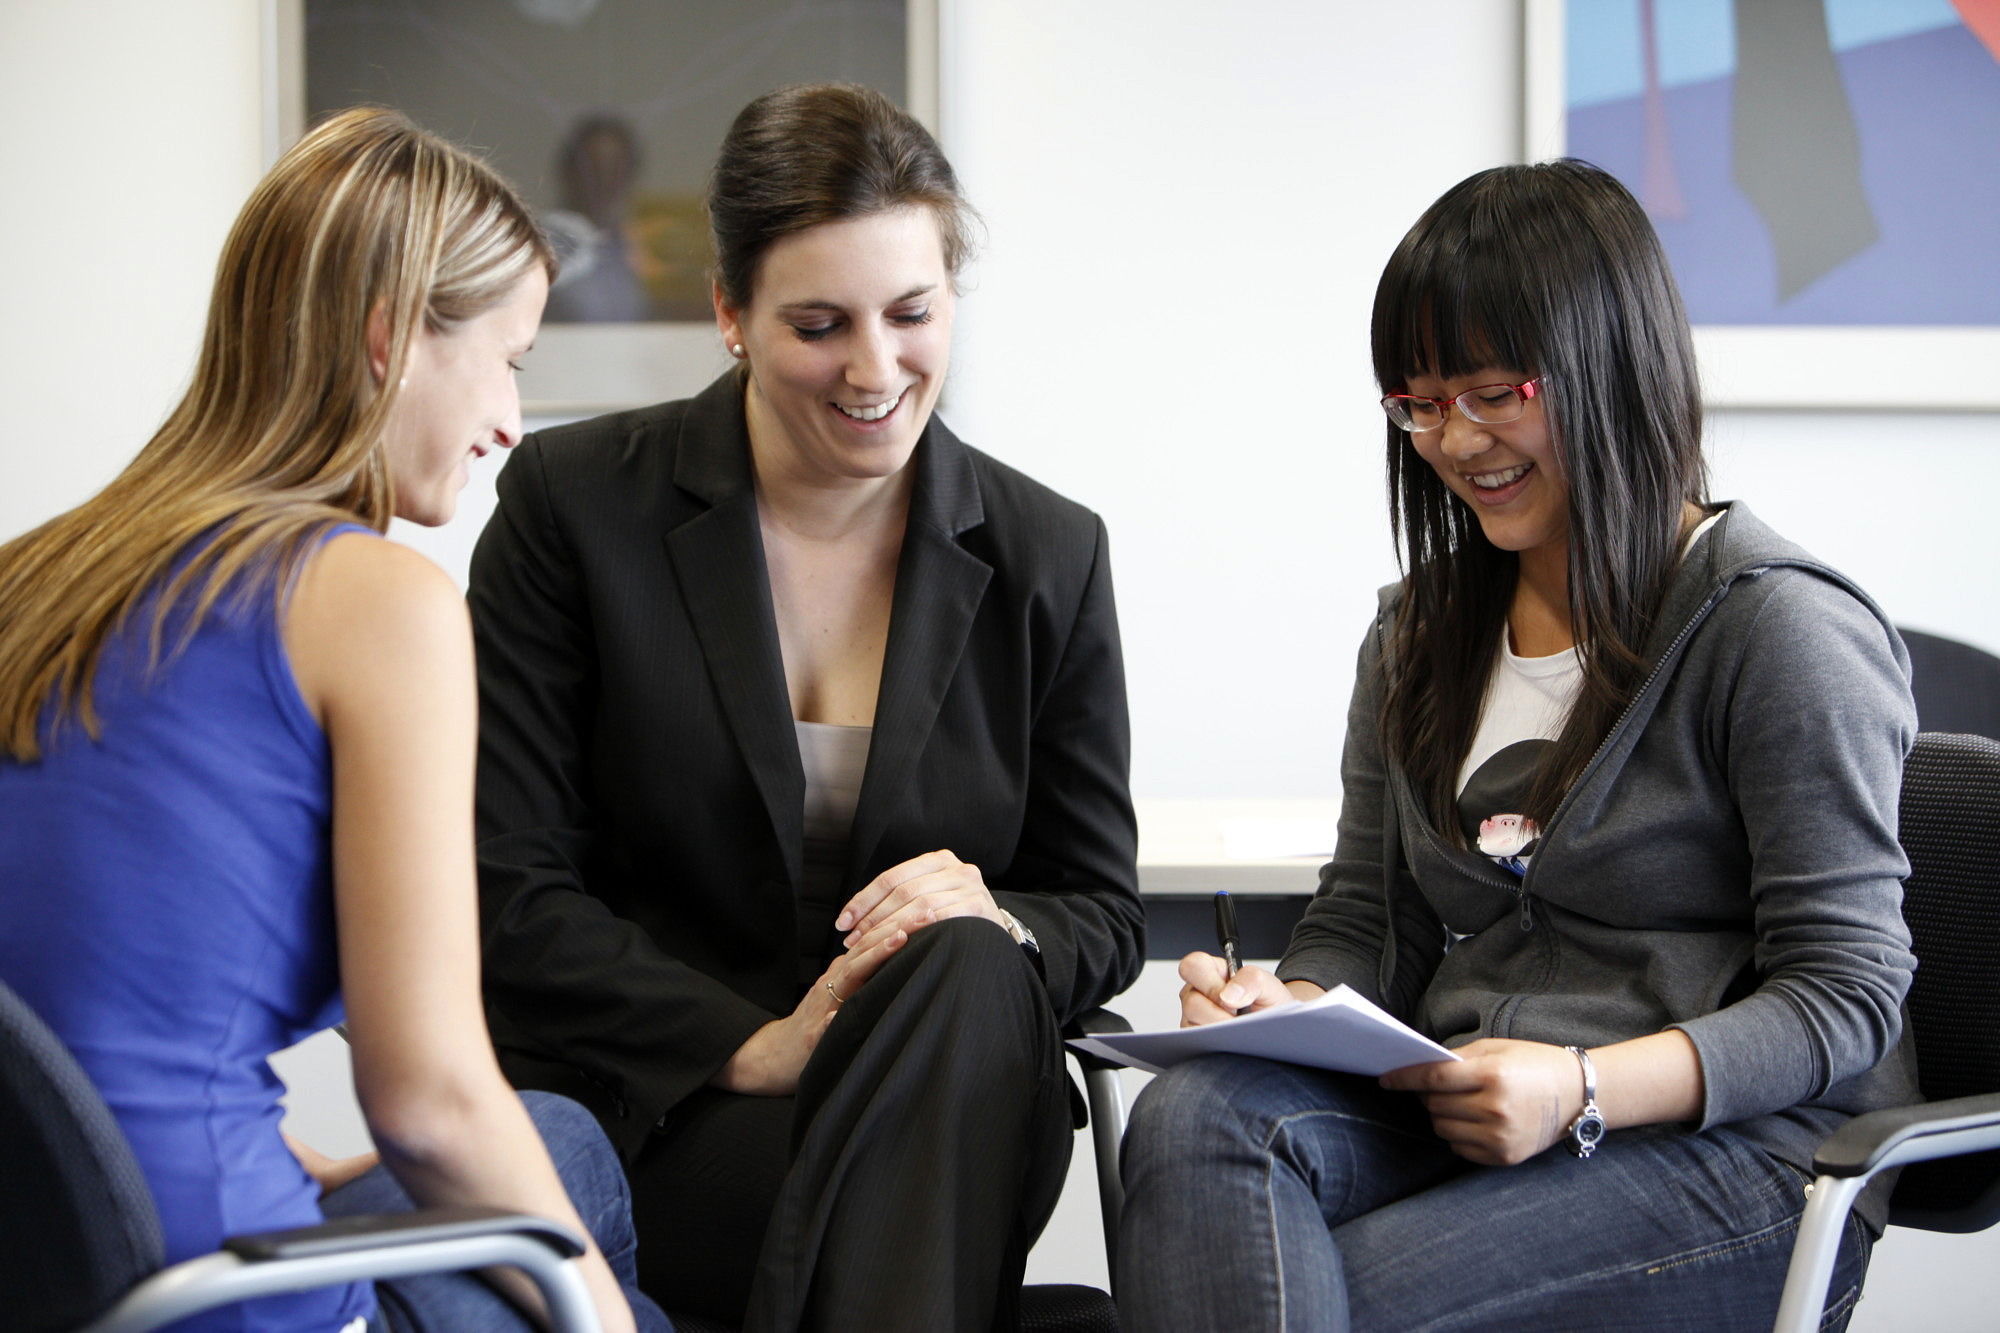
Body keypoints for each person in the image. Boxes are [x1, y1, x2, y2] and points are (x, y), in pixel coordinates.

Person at [1115, 160, 1918, 1332]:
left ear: (1608, 367)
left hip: (1735, 1156)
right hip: (1466, 1104)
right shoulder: (1418, 632)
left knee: (1329, 1299)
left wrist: (1579, 1085)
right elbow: (1364, 920)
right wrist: (1277, 1003)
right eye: (1419, 402)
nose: (1453, 440)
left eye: (1492, 392)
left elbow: (1847, 995)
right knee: (1192, 1116)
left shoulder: (1777, 627)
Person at [468, 82, 1144, 1332]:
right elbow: (507, 890)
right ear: (729, 313)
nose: (876, 369)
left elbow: (1100, 908)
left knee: (962, 951)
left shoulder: (1052, 553)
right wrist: (750, 1042)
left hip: (951, 1106)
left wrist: (986, 912)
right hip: (677, 1114)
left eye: (912, 313)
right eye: (821, 324)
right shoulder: (574, 510)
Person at [0, 108, 668, 1333]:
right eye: (510, 359)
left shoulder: (35, 578)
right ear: (393, 335)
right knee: (589, 1274)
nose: (514, 420)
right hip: (204, 1293)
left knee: (556, 1136)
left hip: (40, 1261)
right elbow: (422, 1098)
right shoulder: (377, 601)